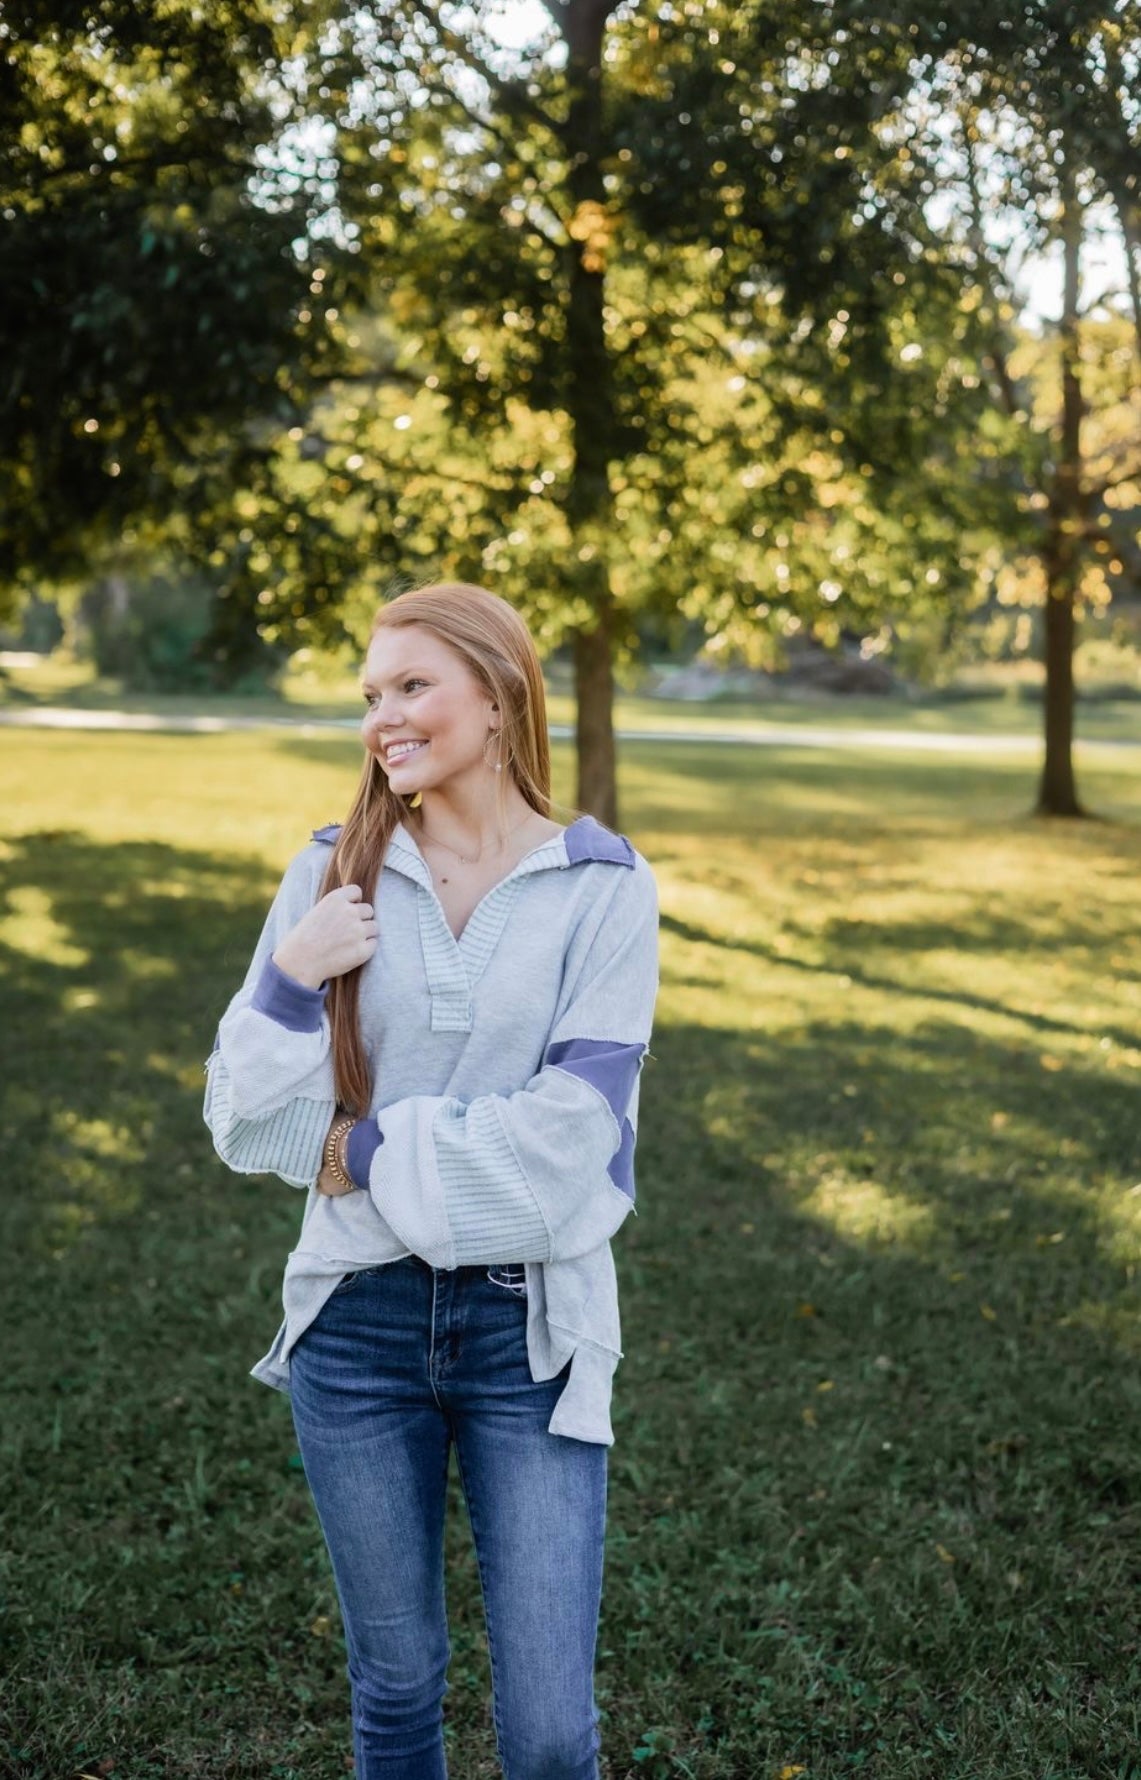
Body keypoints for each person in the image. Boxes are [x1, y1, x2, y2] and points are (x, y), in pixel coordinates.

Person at [203, 582, 660, 1780]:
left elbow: (573, 1151)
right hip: (353, 1325)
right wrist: (290, 981)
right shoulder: (329, 874)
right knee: (397, 1690)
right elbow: (246, 1120)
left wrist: (367, 1149)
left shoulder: (603, 887)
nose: (382, 719)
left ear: (500, 697)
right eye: (370, 694)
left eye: (413, 686)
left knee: (554, 1734)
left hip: (532, 1330)